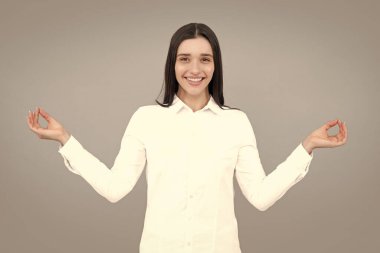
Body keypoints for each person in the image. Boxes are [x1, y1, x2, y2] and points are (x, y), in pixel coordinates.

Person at [27, 23, 348, 253]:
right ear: (173, 64)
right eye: (185, 58)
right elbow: (115, 188)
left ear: (215, 65)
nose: (195, 69)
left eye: (204, 59)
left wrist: (307, 147)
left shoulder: (236, 122)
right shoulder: (146, 119)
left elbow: (261, 196)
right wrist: (65, 140)